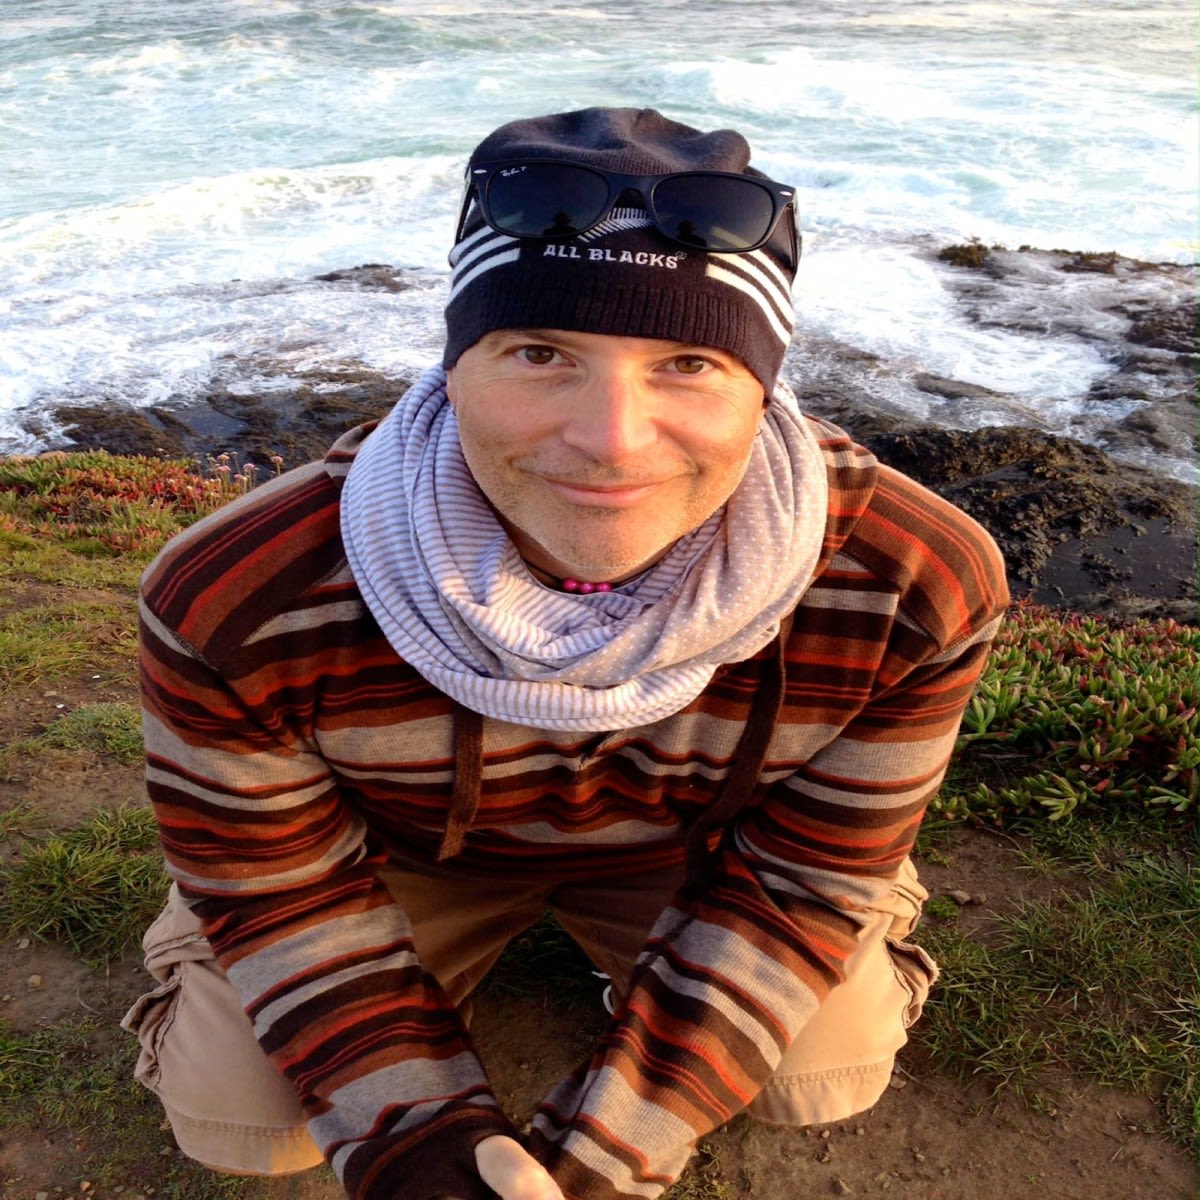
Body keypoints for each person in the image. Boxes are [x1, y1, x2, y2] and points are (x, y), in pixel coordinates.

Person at [124, 107, 1008, 1200]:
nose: (610, 441)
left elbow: (808, 875)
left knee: (829, 1065)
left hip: (699, 850)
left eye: (688, 362)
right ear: (455, 363)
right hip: (397, 853)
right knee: (243, 1119)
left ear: (762, 388)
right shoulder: (235, 596)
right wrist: (424, 1143)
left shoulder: (910, 583)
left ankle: (650, 975)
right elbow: (278, 891)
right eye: (541, 353)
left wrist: (603, 1153)